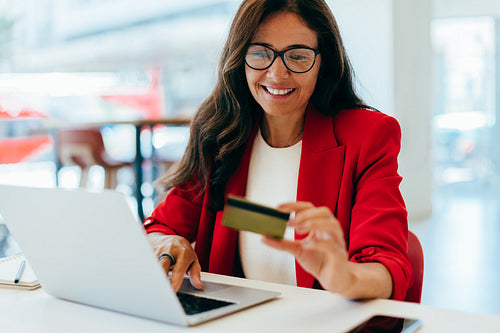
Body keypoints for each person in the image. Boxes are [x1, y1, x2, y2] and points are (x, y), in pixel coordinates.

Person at [144, 0, 413, 301]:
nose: (277, 73)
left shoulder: (367, 136)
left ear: (323, 61)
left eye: (298, 56)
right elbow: (161, 226)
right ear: (239, 57)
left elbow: (388, 267)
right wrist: (166, 242)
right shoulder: (221, 135)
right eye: (260, 53)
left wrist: (345, 275)